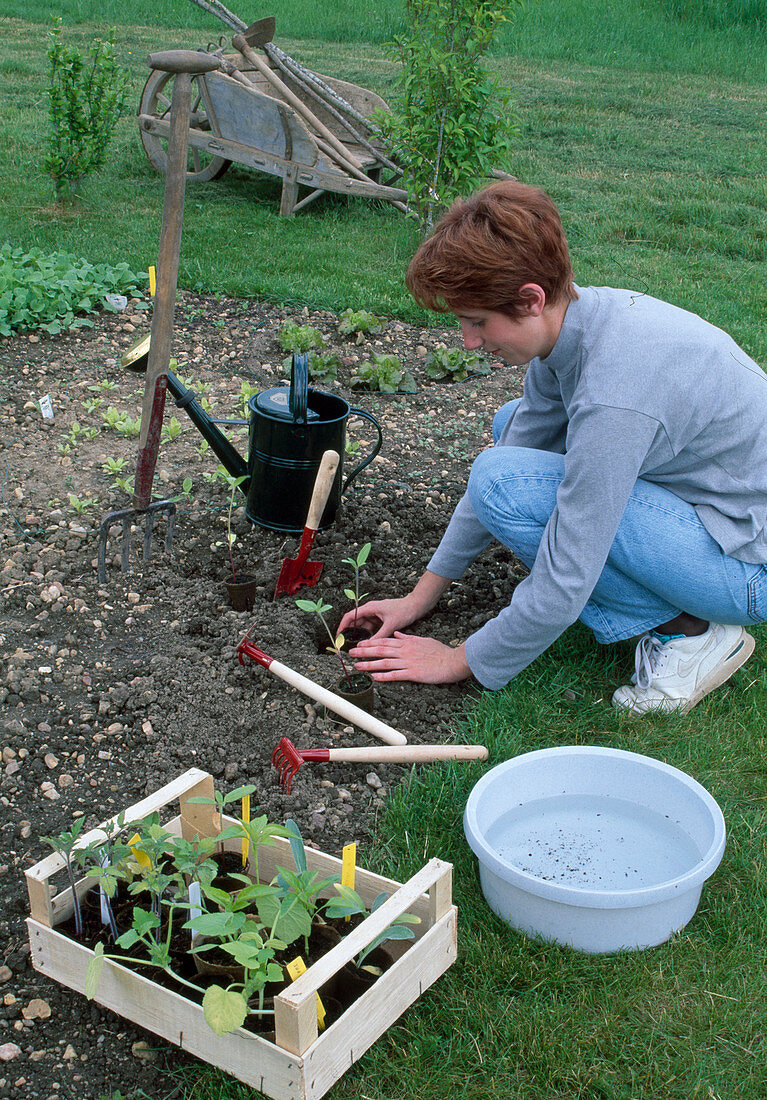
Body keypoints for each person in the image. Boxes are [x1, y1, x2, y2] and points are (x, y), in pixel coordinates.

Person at [338, 181, 767, 714]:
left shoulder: (616, 391)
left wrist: (460, 658)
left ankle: (691, 632)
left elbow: (567, 573)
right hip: (723, 515)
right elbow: (513, 454)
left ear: (531, 299)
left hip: (751, 567)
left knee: (507, 481)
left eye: (478, 322)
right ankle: (682, 606)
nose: (469, 342)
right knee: (510, 431)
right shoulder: (576, 329)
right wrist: (421, 596)